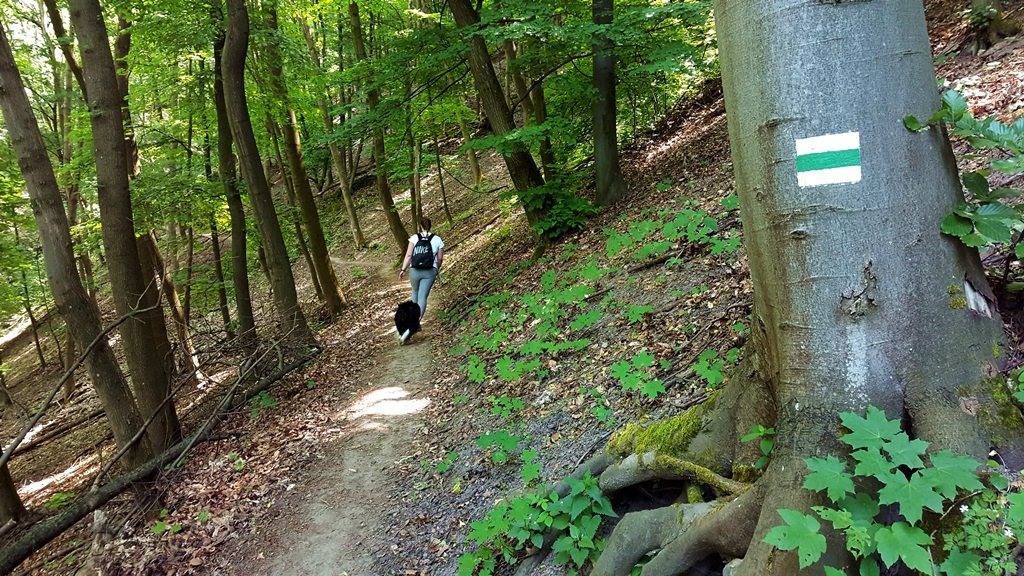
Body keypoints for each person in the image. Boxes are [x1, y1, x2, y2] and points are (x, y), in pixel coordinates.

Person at [399, 217, 444, 320]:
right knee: (423, 296)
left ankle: (411, 318)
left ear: (420, 226)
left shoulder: (414, 238)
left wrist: (403, 269)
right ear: (430, 226)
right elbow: (440, 258)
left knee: (415, 292)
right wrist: (437, 268)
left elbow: (409, 255)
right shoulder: (437, 239)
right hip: (430, 271)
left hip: (415, 270)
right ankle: (417, 321)